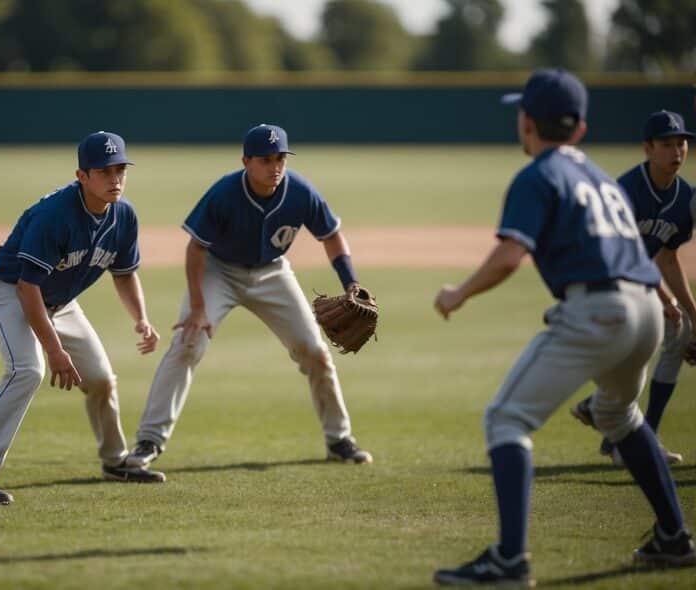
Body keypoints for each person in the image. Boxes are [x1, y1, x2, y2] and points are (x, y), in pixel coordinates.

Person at [432, 70, 694, 586]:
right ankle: (674, 537)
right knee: (620, 417)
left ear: (527, 121)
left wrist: (458, 293)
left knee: (506, 420)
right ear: (579, 129)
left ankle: (510, 560)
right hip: (648, 311)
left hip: (600, 310)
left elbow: (511, 254)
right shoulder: (600, 177)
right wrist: (669, 306)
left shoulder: (538, 176)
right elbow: (640, 253)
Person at [124, 123, 373, 472]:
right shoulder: (225, 193)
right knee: (187, 343)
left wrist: (351, 283)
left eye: (280, 158)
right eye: (266, 159)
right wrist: (197, 308)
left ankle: (339, 439)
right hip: (218, 271)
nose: (275, 167)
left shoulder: (300, 191)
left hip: (272, 272)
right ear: (246, 161)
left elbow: (331, 236)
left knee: (315, 352)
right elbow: (195, 249)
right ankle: (149, 440)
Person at [0, 131, 165, 505]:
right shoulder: (55, 215)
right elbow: (26, 288)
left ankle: (116, 462)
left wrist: (141, 318)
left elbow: (125, 273)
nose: (115, 179)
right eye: (104, 171)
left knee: (100, 379)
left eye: (120, 169)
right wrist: (53, 350)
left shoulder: (124, 215)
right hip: (10, 291)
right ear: (82, 175)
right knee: (26, 371)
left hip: (59, 301)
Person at [570, 110, 695, 466]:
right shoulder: (623, 192)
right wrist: (666, 299)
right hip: (600, 283)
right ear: (647, 148)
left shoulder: (684, 198)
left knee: (678, 330)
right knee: (637, 345)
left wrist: (692, 313)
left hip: (635, 287)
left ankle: (636, 438)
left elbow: (667, 259)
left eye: (682, 143)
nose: (677, 151)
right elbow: (626, 256)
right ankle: (613, 425)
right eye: (667, 144)